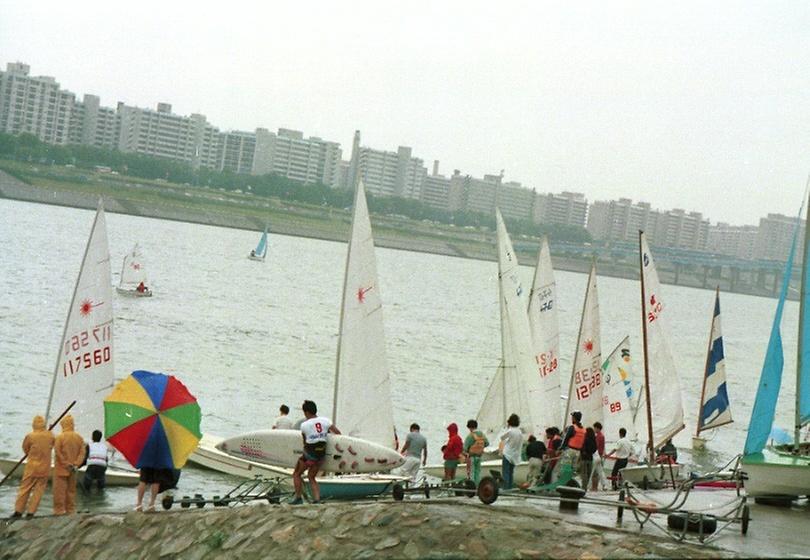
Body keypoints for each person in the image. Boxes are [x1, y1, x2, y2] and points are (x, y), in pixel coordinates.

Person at [291, 400, 340, 504]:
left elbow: (305, 441)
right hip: (321, 455)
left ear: (306, 412)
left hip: (310, 455)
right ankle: (317, 499)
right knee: (311, 477)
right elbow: (338, 433)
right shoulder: (326, 421)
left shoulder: (304, 425)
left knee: (296, 474)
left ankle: (298, 498)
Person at [10, 415, 54, 519]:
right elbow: (52, 444)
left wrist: (32, 454)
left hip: (31, 467)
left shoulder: (30, 436)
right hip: (44, 468)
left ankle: (18, 511)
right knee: (38, 491)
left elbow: (25, 448)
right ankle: (31, 512)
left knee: (25, 489)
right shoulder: (50, 435)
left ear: (33, 425)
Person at [52, 415, 86, 515]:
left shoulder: (60, 437)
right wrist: (76, 464)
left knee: (59, 491)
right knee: (71, 491)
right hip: (74, 470)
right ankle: (70, 511)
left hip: (61, 469)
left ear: (63, 424)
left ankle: (59, 511)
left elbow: (58, 452)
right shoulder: (79, 438)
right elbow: (82, 453)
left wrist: (66, 464)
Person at [500, 413, 523, 489]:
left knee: (505, 472)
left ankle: (505, 488)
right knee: (511, 472)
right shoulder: (520, 432)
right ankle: (509, 487)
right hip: (515, 455)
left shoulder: (510, 431)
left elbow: (502, 437)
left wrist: (507, 428)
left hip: (507, 454)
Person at [463, 420, 489, 485]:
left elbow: (465, 448)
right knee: (478, 472)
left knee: (472, 472)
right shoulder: (482, 434)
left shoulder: (470, 436)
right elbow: (487, 443)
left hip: (472, 457)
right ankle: (478, 486)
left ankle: (472, 487)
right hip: (479, 456)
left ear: (470, 427)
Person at [590, 422, 608, 491]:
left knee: (594, 472)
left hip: (596, 455)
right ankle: (604, 485)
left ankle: (594, 487)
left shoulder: (598, 436)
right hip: (600, 456)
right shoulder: (602, 436)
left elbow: (595, 446)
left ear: (597, 428)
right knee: (600, 472)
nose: (594, 429)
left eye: (594, 428)